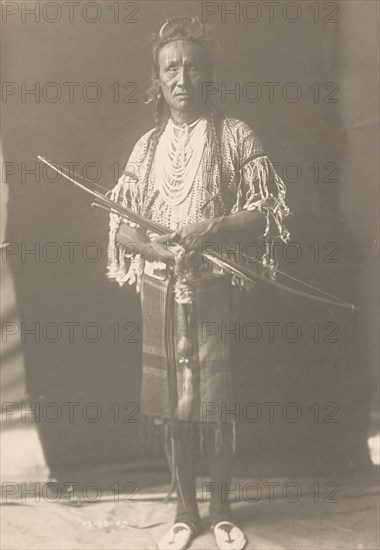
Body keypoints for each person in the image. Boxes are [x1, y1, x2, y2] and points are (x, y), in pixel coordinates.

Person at [107, 16, 290, 550]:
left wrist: (211, 226)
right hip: (159, 290)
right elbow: (122, 224)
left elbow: (265, 213)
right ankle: (186, 511)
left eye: (191, 66)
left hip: (214, 287)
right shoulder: (145, 148)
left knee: (216, 403)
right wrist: (151, 246)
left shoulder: (236, 136)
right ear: (157, 80)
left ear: (207, 75)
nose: (181, 76)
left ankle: (222, 507)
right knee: (173, 405)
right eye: (170, 67)